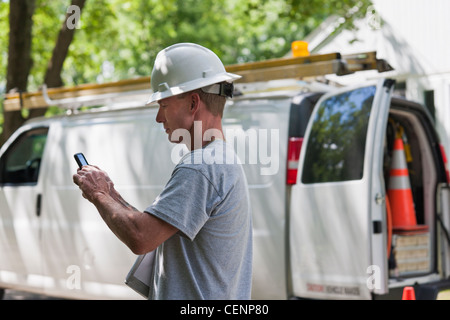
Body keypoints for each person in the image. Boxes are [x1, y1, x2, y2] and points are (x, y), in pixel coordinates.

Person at [73, 43, 253, 300]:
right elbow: (155, 226)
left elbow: (141, 237)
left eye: (164, 105)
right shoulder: (221, 159)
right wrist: (111, 193)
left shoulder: (200, 167)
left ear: (192, 103)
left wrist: (97, 194)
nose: (159, 117)